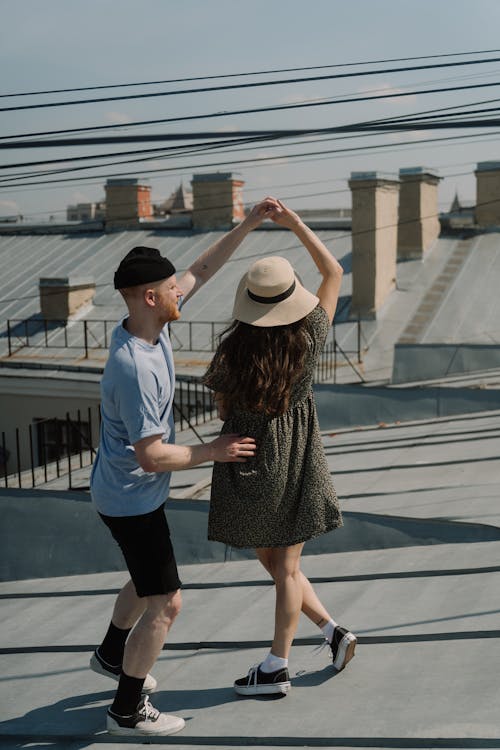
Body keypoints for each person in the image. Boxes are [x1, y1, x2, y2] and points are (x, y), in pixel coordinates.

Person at [89, 198, 278, 736]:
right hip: (130, 497)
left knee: (146, 579)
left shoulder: (149, 324)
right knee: (167, 603)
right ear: (151, 297)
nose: (183, 290)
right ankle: (126, 709)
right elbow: (151, 457)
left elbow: (202, 268)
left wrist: (247, 222)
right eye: (172, 289)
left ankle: (109, 653)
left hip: (128, 493)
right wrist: (212, 451)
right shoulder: (135, 368)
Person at [203, 199, 357, 697]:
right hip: (298, 458)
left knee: (276, 564)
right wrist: (293, 223)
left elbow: (224, 408)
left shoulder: (233, 352)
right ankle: (332, 633)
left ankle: (275, 668)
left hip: (247, 460)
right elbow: (332, 269)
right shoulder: (310, 336)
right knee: (281, 567)